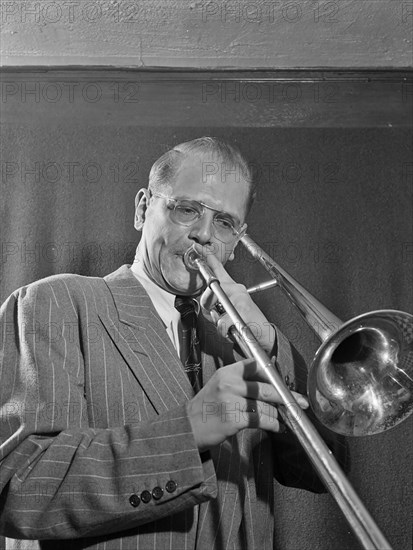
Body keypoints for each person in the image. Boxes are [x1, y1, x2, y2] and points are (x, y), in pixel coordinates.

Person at [0, 137, 346, 550]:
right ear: (143, 208)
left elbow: (328, 471)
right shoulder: (57, 302)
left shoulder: (243, 339)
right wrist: (188, 430)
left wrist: (267, 345)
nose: (203, 234)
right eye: (187, 209)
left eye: (224, 223)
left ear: (237, 240)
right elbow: (21, 488)